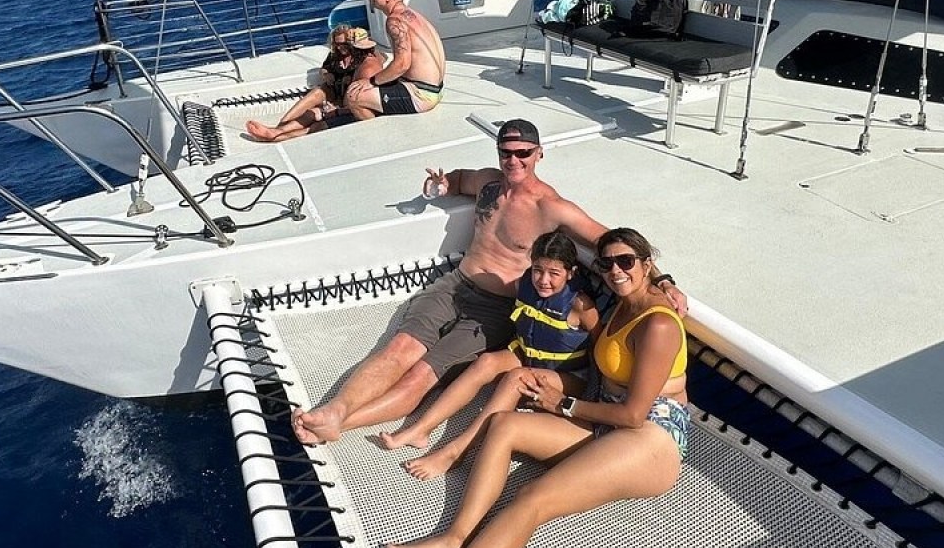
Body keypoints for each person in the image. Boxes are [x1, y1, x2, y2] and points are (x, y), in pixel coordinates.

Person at [360, 227, 690, 548]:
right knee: (504, 425)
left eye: (626, 261)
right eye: (607, 263)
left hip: (650, 437)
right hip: (608, 420)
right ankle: (454, 539)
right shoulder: (624, 303)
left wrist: (562, 403)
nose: (616, 270)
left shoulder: (658, 324)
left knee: (533, 498)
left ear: (646, 264)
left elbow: (634, 414)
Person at [291, 120, 683, 447]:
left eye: (523, 153)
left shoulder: (551, 207)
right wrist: (440, 185)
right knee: (399, 347)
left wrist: (662, 280)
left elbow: (613, 242)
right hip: (455, 285)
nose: (514, 160)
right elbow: (458, 179)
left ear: (539, 153)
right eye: (506, 152)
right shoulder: (489, 183)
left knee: (422, 373)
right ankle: (334, 410)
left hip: (495, 311)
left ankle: (338, 424)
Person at [379, 230, 599, 482]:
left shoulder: (581, 307)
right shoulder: (525, 284)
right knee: (486, 362)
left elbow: (599, 347)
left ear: (570, 273)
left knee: (517, 378)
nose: (543, 280)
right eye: (538, 270)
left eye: (554, 273)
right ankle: (420, 430)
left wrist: (590, 398)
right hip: (530, 357)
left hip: (568, 376)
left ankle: (456, 451)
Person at [246, 27, 382, 142]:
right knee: (312, 109)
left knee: (318, 123)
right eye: (337, 44)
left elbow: (358, 99)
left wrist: (336, 110)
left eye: (344, 44)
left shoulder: (366, 66)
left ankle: (276, 136)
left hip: (347, 104)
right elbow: (325, 68)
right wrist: (326, 74)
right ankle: (278, 129)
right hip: (337, 95)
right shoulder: (336, 56)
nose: (340, 47)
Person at [343, 0, 446, 120]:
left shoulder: (394, 21)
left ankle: (380, 133)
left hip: (421, 94)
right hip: (434, 88)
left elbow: (402, 64)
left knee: (354, 96)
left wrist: (371, 81)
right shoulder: (413, 15)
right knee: (376, 83)